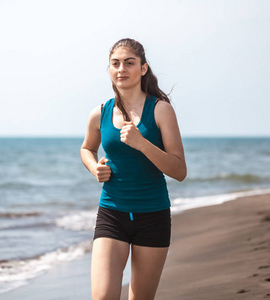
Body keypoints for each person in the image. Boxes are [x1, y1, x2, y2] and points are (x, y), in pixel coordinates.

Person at [80, 38, 187, 300]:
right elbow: (86, 149)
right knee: (103, 296)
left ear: (143, 68)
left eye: (129, 63)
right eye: (115, 64)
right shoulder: (100, 112)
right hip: (112, 214)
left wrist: (142, 144)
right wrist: (95, 168)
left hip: (153, 216)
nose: (121, 69)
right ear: (109, 69)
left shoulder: (161, 110)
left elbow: (179, 170)